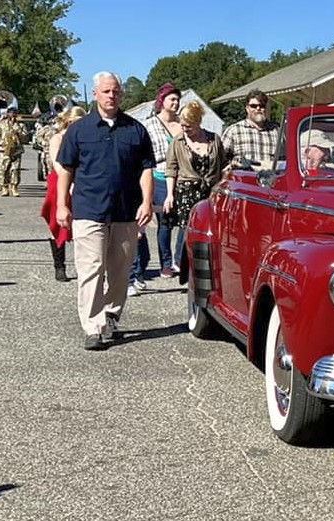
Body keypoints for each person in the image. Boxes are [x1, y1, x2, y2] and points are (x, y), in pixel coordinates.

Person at [54, 71, 155, 351]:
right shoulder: (80, 130)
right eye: (107, 91)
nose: (112, 96)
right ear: (95, 94)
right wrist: (63, 204)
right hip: (89, 210)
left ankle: (111, 315)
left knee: (121, 271)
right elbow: (66, 170)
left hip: (125, 212)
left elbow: (147, 168)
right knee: (91, 269)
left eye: (116, 92)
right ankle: (93, 326)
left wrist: (147, 202)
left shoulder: (135, 130)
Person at [164, 101, 225, 266]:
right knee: (187, 229)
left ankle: (208, 262)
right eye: (182, 125)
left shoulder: (214, 139)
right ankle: (182, 262)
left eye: (188, 126)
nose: (185, 129)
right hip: (186, 192)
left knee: (209, 228)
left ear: (198, 122)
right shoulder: (177, 142)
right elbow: (171, 169)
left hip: (210, 191)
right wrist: (169, 195)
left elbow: (223, 165)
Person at [40, 106, 87, 282]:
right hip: (59, 181)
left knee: (82, 224)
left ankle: (84, 266)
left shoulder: (83, 138)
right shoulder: (58, 138)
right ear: (69, 121)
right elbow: (57, 164)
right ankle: (59, 266)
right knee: (57, 221)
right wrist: (70, 183)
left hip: (80, 182)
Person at [142, 82, 182, 279]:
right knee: (165, 221)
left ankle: (180, 259)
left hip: (182, 177)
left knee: (185, 220)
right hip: (158, 174)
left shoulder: (182, 125)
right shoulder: (150, 125)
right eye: (172, 99)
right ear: (162, 101)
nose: (175, 103)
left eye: (178, 100)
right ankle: (165, 263)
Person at [222, 89, 280, 169]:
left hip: (270, 179)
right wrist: (233, 164)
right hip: (243, 179)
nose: (258, 108)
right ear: (247, 108)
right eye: (253, 106)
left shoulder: (277, 131)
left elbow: (285, 160)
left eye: (262, 106)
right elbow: (220, 159)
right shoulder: (234, 131)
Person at [0, 107, 28, 197]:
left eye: (14, 113)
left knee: (15, 170)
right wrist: (1, 143)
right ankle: (5, 187)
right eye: (11, 113)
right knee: (4, 169)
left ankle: (14, 187)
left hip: (16, 150)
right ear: (7, 114)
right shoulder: (1, 124)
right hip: (4, 150)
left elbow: (26, 138)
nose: (13, 115)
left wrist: (18, 130)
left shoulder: (21, 125)